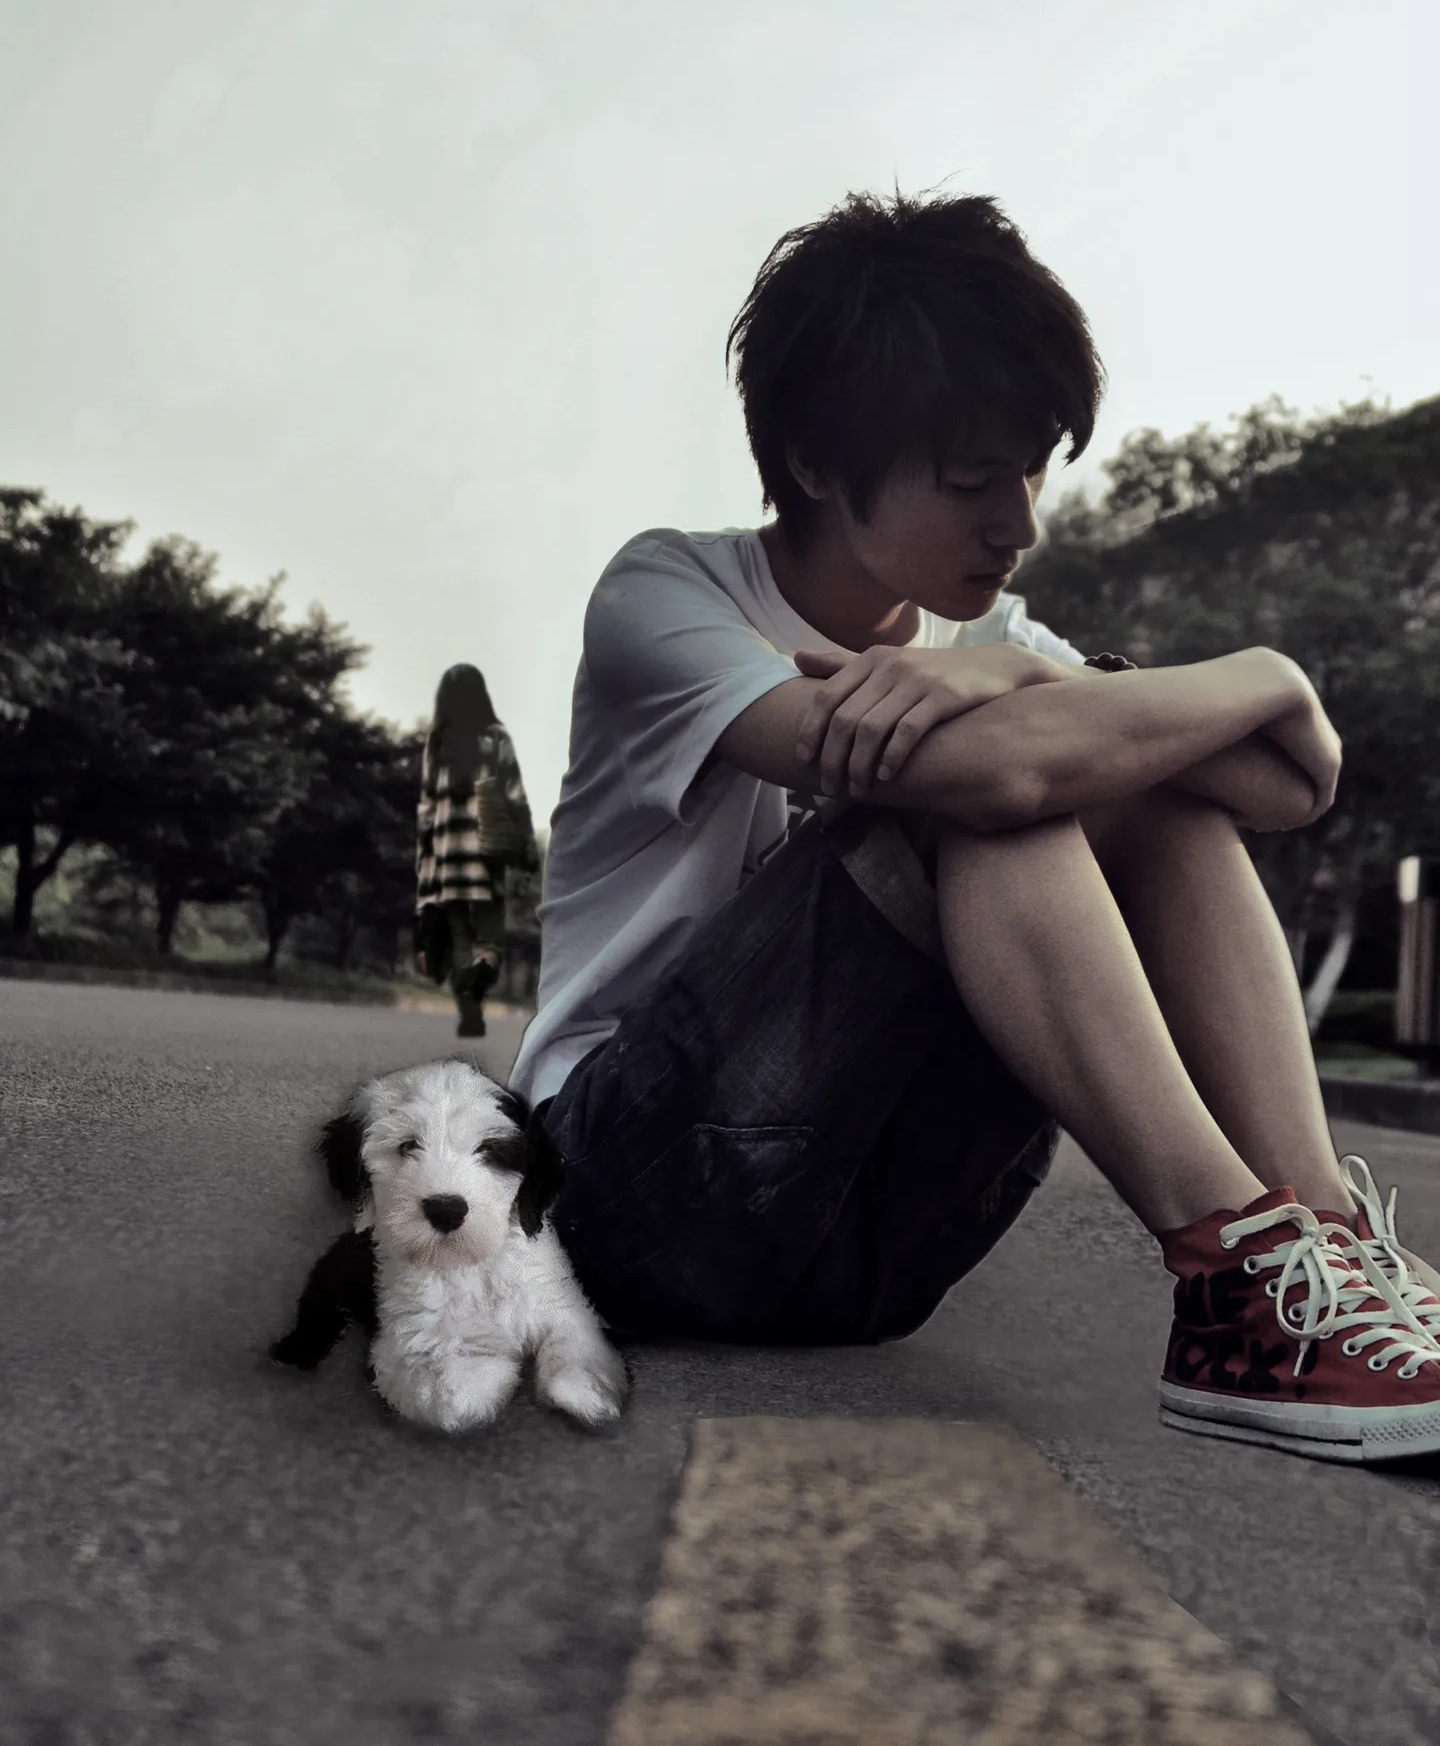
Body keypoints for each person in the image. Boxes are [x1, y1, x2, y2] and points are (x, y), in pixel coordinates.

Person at [509, 189, 1440, 1463]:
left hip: (880, 1242)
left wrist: (1055, 671)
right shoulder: (666, 595)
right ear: (817, 463)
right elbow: (1000, 783)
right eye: (969, 481)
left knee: (1141, 783)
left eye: (1034, 466)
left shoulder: (995, 641)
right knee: (999, 796)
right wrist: (1132, 696)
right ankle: (1235, 1274)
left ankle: (1325, 1256)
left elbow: (1282, 784)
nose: (1021, 522)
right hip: (620, 1196)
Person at [415, 663, 540, 1037]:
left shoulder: (436, 742)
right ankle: (483, 968)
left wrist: (426, 854)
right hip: (487, 855)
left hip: (447, 858)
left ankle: (469, 1012)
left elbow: (426, 806)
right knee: (489, 937)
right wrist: (526, 846)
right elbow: (514, 794)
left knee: (459, 936)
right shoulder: (497, 737)